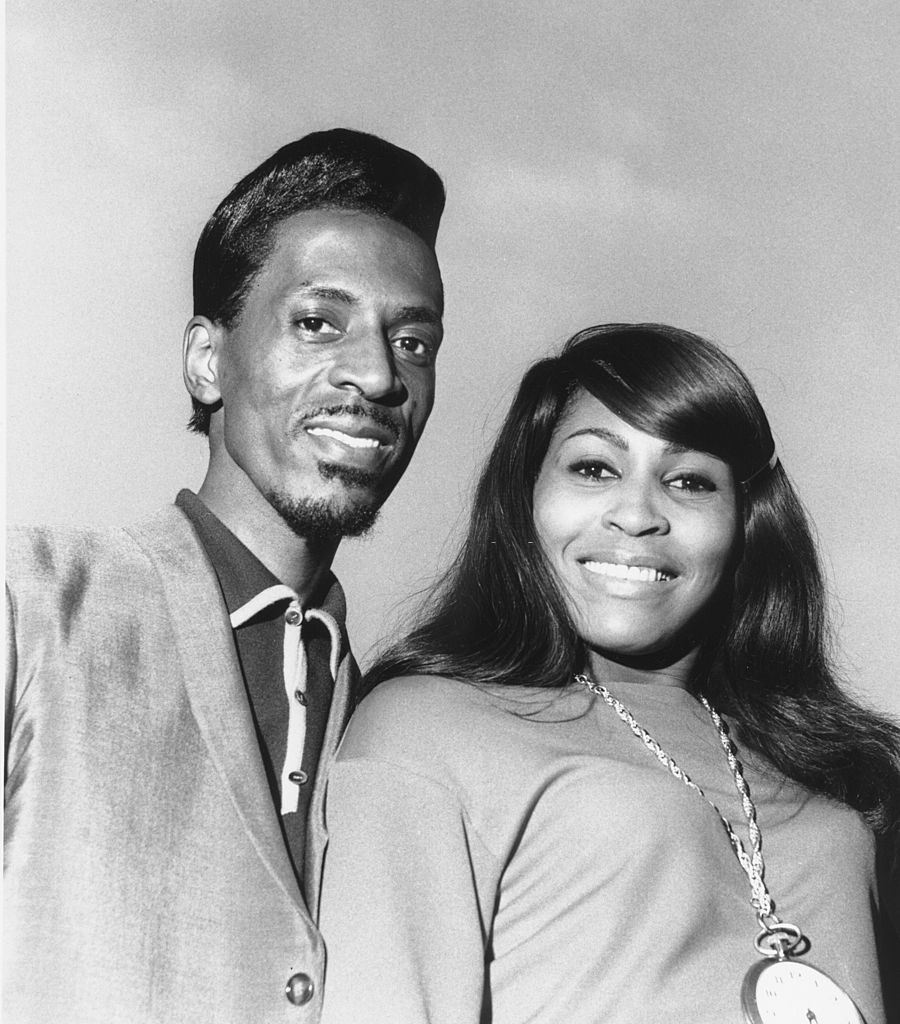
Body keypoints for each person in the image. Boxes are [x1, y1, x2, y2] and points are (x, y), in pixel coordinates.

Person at [318, 323, 900, 1024]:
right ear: (524, 496)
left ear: (747, 520)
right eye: (594, 468)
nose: (636, 514)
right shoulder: (426, 726)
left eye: (690, 480)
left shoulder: (839, 771)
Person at [4, 128, 446, 1024]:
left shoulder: (404, 730)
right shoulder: (32, 602)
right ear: (207, 361)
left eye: (414, 342)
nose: (375, 374)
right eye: (318, 323)